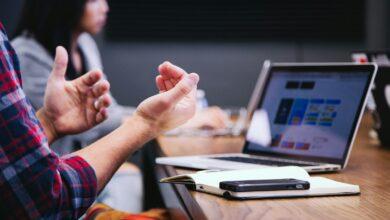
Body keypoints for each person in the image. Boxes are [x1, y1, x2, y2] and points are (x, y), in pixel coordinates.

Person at [12, 0, 226, 210]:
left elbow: (106, 111)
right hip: (50, 182)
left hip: (79, 167)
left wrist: (163, 116)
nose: (105, 7)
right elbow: (96, 125)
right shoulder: (26, 54)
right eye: (94, 0)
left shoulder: (85, 44)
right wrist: (173, 121)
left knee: (130, 177)